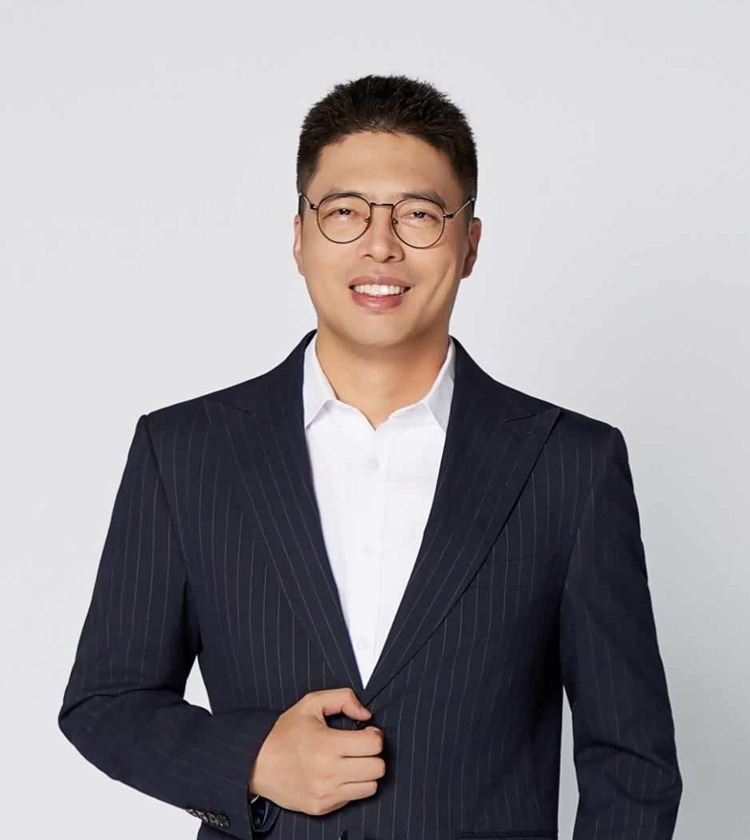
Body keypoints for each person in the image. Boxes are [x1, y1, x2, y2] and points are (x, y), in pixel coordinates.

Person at [58, 73, 683, 840]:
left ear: (469, 243)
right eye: (345, 212)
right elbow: (107, 701)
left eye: (418, 214)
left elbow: (632, 764)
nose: (380, 244)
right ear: (299, 236)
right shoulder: (186, 451)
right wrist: (252, 759)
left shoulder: (571, 465)